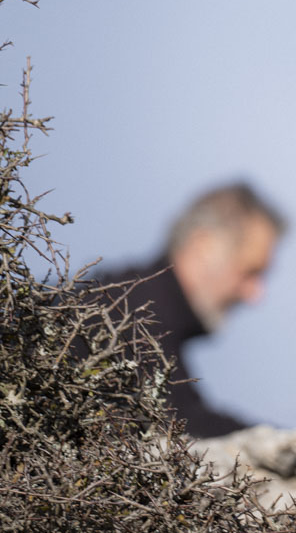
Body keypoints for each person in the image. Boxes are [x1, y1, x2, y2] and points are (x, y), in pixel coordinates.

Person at [89, 181, 284, 438]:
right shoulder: (128, 310)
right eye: (250, 272)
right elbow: (181, 426)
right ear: (204, 246)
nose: (255, 294)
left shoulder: (134, 301)